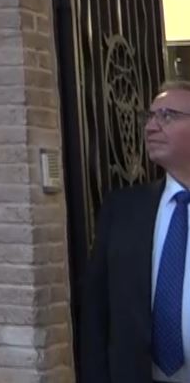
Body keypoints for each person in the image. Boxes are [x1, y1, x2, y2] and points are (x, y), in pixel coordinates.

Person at [81, 80, 190, 383]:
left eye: (167, 116)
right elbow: (96, 315)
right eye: (149, 117)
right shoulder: (123, 210)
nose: (151, 127)